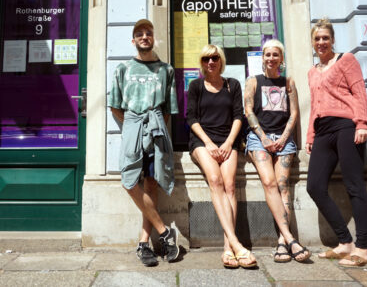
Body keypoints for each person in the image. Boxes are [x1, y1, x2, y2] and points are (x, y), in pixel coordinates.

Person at [108, 19, 179, 267]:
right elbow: (115, 106)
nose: (144, 36)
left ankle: (143, 243)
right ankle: (165, 231)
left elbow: (169, 110)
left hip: (157, 127)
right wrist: (132, 124)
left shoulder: (165, 70)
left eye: (148, 32)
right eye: (139, 33)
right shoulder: (122, 69)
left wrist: (154, 123)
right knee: (129, 181)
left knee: (151, 182)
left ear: (153, 38)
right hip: (132, 127)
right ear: (133, 40)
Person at [306, 18, 367, 267]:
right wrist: (310, 136)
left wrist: (362, 123)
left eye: (325, 37)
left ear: (332, 40)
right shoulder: (312, 72)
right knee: (314, 186)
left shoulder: (346, 60)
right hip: (323, 130)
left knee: (354, 185)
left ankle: (365, 247)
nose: (321, 42)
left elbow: (359, 91)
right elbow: (315, 106)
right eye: (317, 39)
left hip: (346, 126)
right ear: (313, 43)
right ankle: (345, 242)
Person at [186, 44, 257, 269]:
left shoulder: (232, 85)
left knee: (230, 186)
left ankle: (228, 248)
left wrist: (227, 142)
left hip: (228, 140)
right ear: (202, 62)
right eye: (206, 58)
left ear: (221, 60)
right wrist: (207, 142)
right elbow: (191, 118)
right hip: (202, 141)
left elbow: (238, 116)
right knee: (215, 180)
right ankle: (237, 244)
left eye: (214, 58)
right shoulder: (196, 85)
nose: (210, 62)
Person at [244, 39, 310, 263]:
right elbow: (248, 111)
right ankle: (291, 237)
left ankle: (282, 242)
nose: (271, 58)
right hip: (258, 139)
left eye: (275, 54)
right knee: (270, 183)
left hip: (283, 139)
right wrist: (264, 138)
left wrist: (282, 138)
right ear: (262, 58)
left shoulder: (288, 82)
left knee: (283, 186)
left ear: (281, 58)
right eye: (267, 54)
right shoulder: (253, 81)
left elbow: (293, 113)